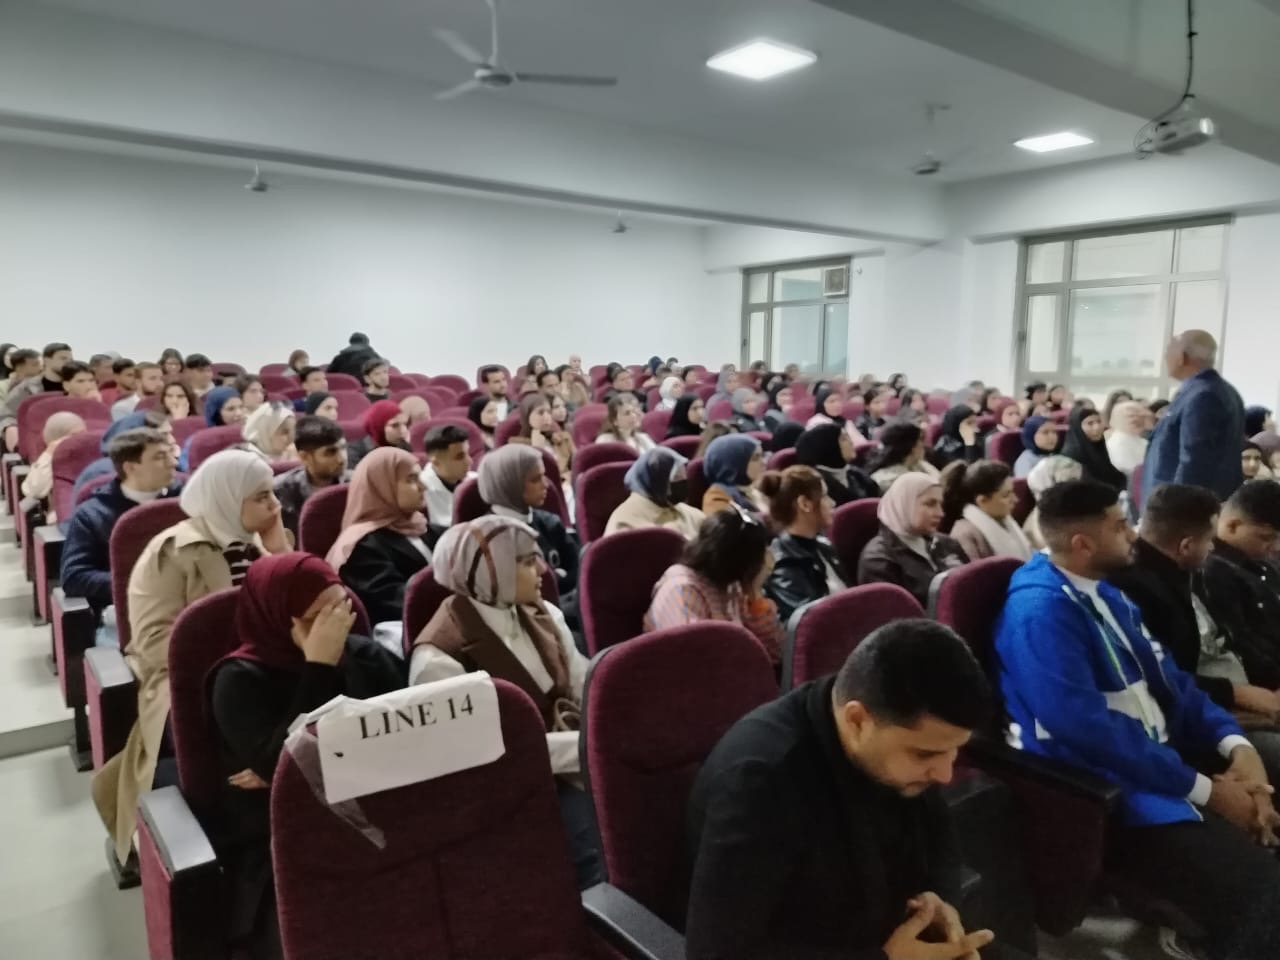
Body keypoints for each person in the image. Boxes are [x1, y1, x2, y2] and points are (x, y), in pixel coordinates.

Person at [994, 479, 1280, 960]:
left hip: (1161, 760)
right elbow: (1089, 734)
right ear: (1083, 543)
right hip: (1111, 792)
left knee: (1270, 772)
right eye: (1120, 525)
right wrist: (1210, 790)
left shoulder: (1107, 594)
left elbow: (1175, 685)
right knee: (1265, 896)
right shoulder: (1040, 614)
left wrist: (1238, 748)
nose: (1134, 533)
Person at [685, 620, 1000, 960]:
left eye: (955, 750)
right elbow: (716, 953)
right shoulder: (760, 782)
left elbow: (939, 838)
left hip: (886, 928)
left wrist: (940, 902)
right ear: (857, 720)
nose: (946, 774)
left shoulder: (898, 740)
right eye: (926, 754)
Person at [92, 450, 289, 869]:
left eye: (273, 494)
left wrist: (280, 554)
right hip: (189, 682)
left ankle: (282, 775)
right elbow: (154, 645)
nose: (276, 506)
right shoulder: (172, 552)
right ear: (227, 498)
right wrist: (240, 661)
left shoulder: (257, 543)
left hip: (260, 671)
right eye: (262, 497)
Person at [210, 552, 403, 952]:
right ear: (281, 618)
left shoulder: (364, 654)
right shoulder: (238, 680)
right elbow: (288, 771)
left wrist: (308, 763)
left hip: (379, 806)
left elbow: (407, 735)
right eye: (319, 617)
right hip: (284, 836)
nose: (337, 625)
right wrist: (318, 666)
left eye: (342, 607)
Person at [408, 516, 599, 888]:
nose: (543, 569)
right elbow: (483, 754)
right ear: (489, 572)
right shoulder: (439, 657)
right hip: (513, 790)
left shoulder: (543, 612)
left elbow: (584, 686)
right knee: (600, 848)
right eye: (526, 562)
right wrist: (587, 749)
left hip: (574, 758)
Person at [1108, 484, 1280, 784]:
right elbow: (1164, 685)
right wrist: (1241, 702)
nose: (1213, 548)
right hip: (1191, 730)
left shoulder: (1175, 575)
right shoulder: (1137, 591)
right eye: (1209, 540)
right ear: (1186, 546)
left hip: (1217, 709)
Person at [60, 428, 182, 645]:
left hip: (185, 604)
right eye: (159, 457)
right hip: (124, 613)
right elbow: (74, 577)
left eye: (171, 454)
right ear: (130, 467)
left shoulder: (184, 499)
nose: (173, 462)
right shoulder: (93, 514)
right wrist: (140, 583)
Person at [644, 509, 784, 665]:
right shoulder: (682, 591)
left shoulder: (734, 585)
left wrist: (755, 595)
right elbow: (697, 665)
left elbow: (776, 653)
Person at [325, 447, 434, 625]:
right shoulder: (360, 548)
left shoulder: (417, 524)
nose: (424, 486)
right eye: (412, 479)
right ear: (383, 487)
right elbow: (401, 603)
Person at [1200, 482, 1280, 716]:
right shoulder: (1213, 572)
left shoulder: (1260, 565)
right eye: (1266, 537)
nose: (1274, 547)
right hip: (1259, 689)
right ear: (1233, 525)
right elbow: (1241, 642)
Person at [1144, 331, 1246, 504]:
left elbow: (1193, 459)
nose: (1165, 357)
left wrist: (1174, 507)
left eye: (1168, 351)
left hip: (1182, 507)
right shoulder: (1223, 390)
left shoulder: (1202, 395)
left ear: (1182, 357)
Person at [478, 445, 580, 597]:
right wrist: (557, 577)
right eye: (535, 479)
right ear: (510, 484)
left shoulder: (550, 522)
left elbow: (578, 569)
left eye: (543, 476)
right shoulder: (488, 536)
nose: (546, 485)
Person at [858, 473, 968, 606]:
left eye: (941, 505)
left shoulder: (947, 543)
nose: (940, 513)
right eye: (930, 504)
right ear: (903, 504)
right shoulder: (878, 560)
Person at [760, 465, 847, 624]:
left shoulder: (823, 545)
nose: (833, 502)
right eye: (825, 496)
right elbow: (811, 622)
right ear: (805, 504)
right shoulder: (783, 564)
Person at [70, 410, 173, 504]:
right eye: (163, 435)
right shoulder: (102, 471)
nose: (172, 440)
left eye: (170, 433)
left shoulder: (170, 465)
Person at [605, 446, 705, 539]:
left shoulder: (690, 513)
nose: (683, 482)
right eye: (676, 477)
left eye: (684, 476)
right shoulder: (624, 522)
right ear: (658, 481)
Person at [942, 460, 1032, 562]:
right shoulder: (964, 535)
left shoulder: (1005, 520)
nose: (1015, 499)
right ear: (982, 500)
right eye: (1006, 495)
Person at [273, 416, 348, 538]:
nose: (342, 459)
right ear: (304, 457)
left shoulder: (355, 483)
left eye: (343, 448)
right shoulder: (280, 492)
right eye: (330, 452)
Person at [793, 422, 878, 505]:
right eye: (844, 439)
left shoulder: (857, 475)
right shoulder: (816, 487)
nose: (851, 442)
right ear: (829, 447)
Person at [21, 412, 88, 512]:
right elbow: (35, 490)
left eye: (84, 433)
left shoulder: (93, 451)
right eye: (75, 435)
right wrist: (49, 454)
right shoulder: (48, 460)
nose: (83, 439)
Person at [1022, 455, 1082, 551]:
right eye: (1070, 481)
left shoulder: (1079, 506)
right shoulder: (1037, 526)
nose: (1075, 488)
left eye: (1075, 480)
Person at [1060, 406, 1127, 492]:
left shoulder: (1099, 448)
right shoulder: (1071, 455)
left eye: (1099, 422)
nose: (1097, 427)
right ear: (1078, 427)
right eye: (1090, 423)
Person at [701, 433, 768, 517]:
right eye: (756, 458)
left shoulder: (757, 487)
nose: (764, 463)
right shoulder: (717, 498)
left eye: (762, 456)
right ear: (734, 464)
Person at [421, 424, 474, 527]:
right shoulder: (421, 491)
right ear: (436, 462)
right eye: (460, 457)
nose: (469, 461)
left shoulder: (475, 480)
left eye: (468, 453)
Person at [868, 422, 940, 494]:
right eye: (921, 440)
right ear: (912, 446)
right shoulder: (889, 480)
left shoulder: (919, 464)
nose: (924, 445)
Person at [347, 399, 409, 468]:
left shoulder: (404, 447)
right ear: (378, 427)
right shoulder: (354, 451)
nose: (403, 431)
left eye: (405, 424)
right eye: (395, 425)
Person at [1105, 400, 1149, 477]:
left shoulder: (1144, 442)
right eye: (1131, 416)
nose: (1137, 419)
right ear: (1117, 418)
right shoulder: (1115, 444)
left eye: (1141, 416)